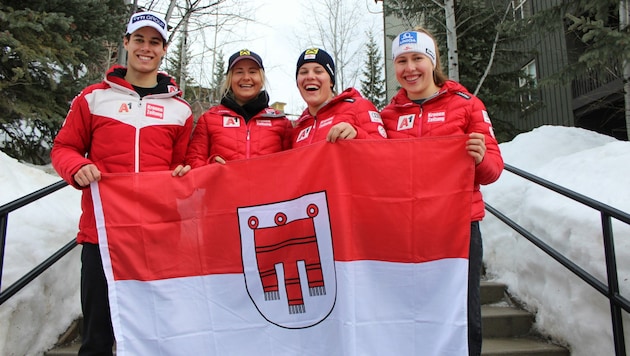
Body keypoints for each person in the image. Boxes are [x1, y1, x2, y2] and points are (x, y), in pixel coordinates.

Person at [50, 11, 193, 356]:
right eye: (139, 40)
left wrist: (186, 174)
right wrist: (77, 167)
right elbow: (63, 148)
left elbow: (185, 165)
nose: (146, 48)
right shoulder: (93, 98)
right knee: (97, 337)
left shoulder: (181, 110)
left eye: (155, 42)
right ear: (126, 44)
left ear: (164, 50)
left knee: (151, 335)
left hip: (154, 238)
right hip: (101, 235)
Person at [380, 28, 504, 356]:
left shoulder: (467, 105)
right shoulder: (387, 117)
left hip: (458, 229)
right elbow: (374, 170)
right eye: (402, 61)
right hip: (406, 230)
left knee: (463, 313)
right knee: (409, 313)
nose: (410, 68)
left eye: (417, 58)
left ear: (432, 62)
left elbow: (493, 170)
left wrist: (479, 158)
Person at [185, 49, 293, 167]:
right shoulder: (209, 119)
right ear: (230, 79)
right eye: (239, 72)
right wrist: (210, 166)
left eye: (252, 72)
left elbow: (292, 166)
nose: (246, 77)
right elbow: (193, 161)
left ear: (261, 80)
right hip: (222, 185)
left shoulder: (281, 122)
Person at [291, 48, 387, 147]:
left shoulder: (358, 106)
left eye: (318, 71)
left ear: (331, 81)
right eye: (303, 72)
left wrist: (357, 135)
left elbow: (383, 150)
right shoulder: (297, 128)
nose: (310, 76)